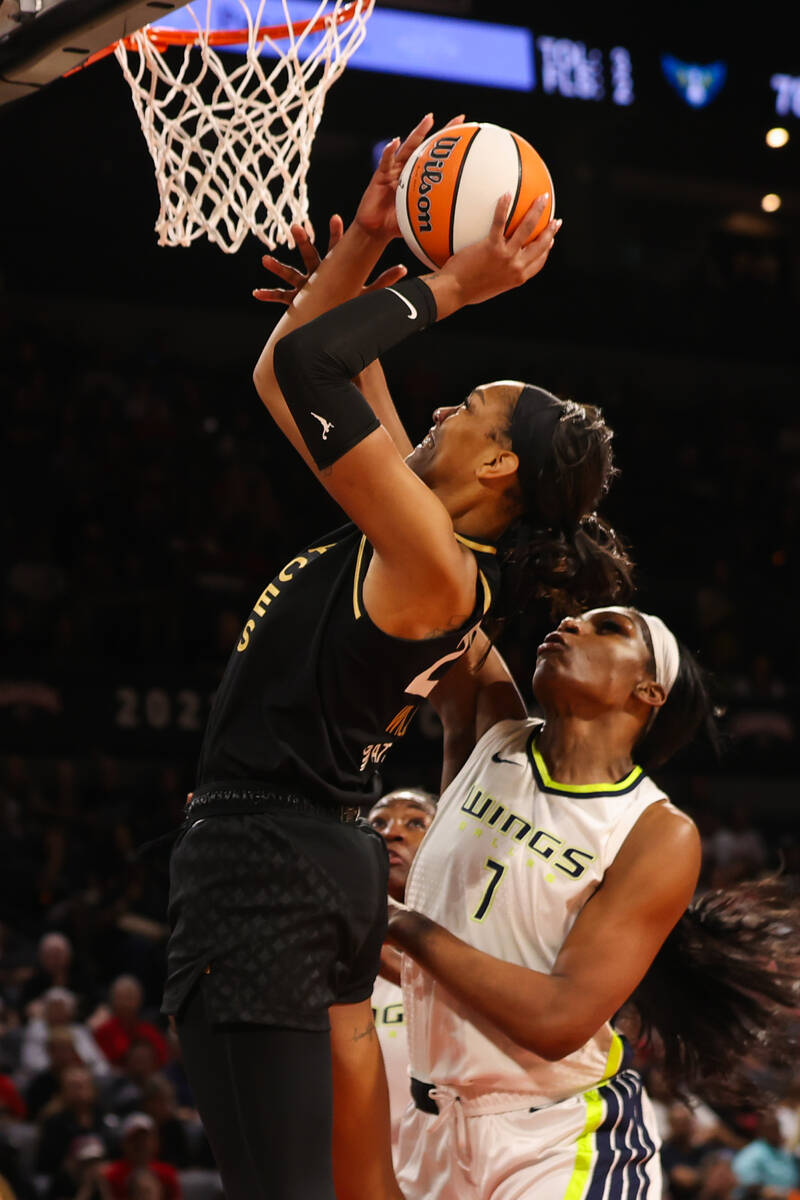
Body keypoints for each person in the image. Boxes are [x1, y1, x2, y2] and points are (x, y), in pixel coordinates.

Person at [164, 112, 633, 1200]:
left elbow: (318, 361)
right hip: (306, 860)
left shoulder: (433, 563)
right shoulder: (424, 541)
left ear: (502, 467)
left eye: (466, 405)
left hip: (266, 868)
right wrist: (363, 242)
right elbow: (288, 373)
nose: (437, 401)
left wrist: (453, 285)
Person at [386, 609, 800, 1199]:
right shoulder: (493, 731)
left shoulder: (653, 831)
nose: (571, 622)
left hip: (558, 1140)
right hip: (429, 1129)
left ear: (649, 689)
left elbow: (558, 1020)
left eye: (609, 628)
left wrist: (398, 923)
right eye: (574, 615)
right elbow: (431, 597)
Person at [367, 788, 437, 1155]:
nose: (393, 832)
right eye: (377, 822)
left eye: (415, 822)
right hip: (357, 1161)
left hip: (450, 1156)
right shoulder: (325, 944)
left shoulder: (476, 934)